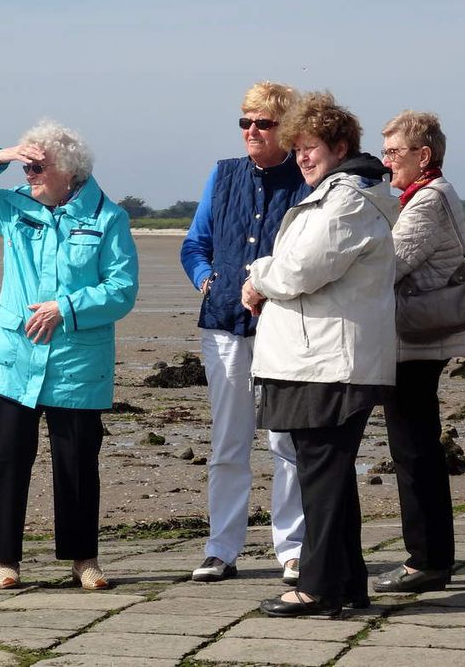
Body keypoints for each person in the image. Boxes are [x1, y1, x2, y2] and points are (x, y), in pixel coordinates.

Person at [0, 119, 138, 591]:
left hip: (77, 363)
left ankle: (83, 560)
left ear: (69, 170)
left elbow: (122, 290)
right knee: (8, 460)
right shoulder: (12, 209)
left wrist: (66, 308)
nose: (29, 174)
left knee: (77, 465)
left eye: (37, 166)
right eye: (26, 166)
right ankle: (5, 561)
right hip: (14, 359)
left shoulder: (108, 218)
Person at [241, 91, 398, 616]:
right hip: (319, 356)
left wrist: (257, 275)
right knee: (324, 472)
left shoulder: (348, 198)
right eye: (298, 149)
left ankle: (318, 585)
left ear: (340, 145)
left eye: (311, 147)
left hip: (329, 360)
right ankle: (347, 582)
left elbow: (300, 270)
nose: (303, 157)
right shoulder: (341, 193)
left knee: (323, 473)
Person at [180, 81, 308, 583]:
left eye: (263, 123)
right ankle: (221, 549)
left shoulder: (305, 179)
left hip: (285, 328)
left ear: (287, 130)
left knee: (286, 442)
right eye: (245, 121)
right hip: (224, 328)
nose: (251, 130)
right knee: (227, 443)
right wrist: (207, 281)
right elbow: (195, 244)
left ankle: (292, 549)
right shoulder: (224, 174)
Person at [372, 110, 465, 594]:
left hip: (418, 339)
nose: (386, 160)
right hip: (423, 337)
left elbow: (389, 266)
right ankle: (430, 555)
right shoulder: (430, 194)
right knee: (418, 447)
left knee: (413, 449)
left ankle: (426, 560)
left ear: (424, 155)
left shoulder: (427, 201)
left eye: (394, 152)